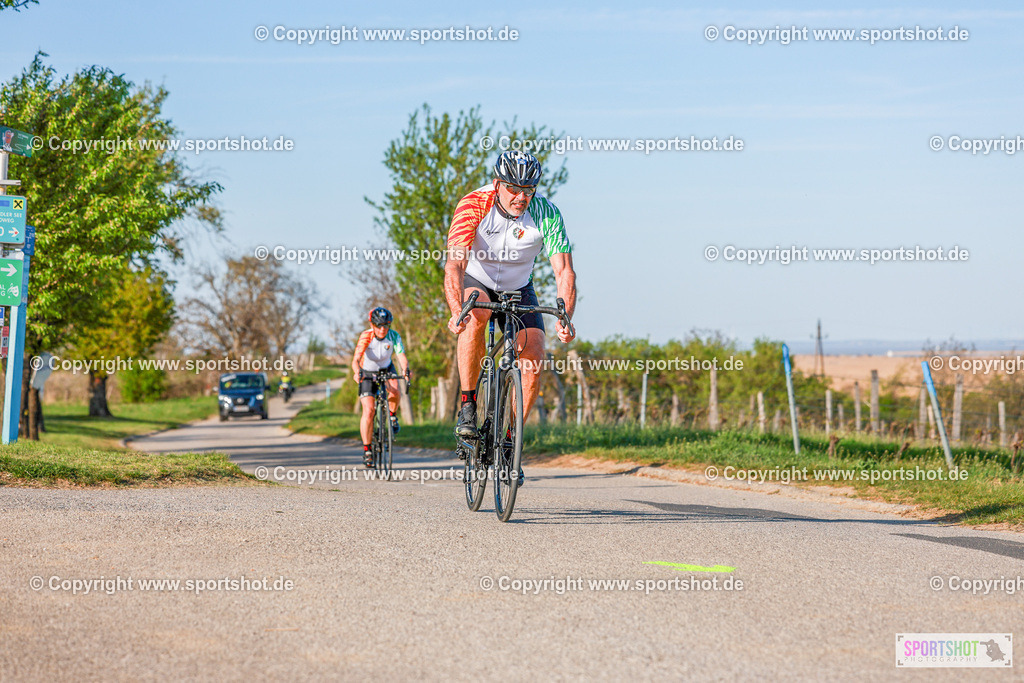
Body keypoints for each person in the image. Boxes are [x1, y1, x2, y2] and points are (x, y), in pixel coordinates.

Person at [444, 150, 577, 484]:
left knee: (533, 357)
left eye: (528, 190)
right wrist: (454, 311)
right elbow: (455, 265)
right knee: (474, 317)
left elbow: (564, 272)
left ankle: (509, 440)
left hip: (520, 286)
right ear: (497, 184)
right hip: (479, 279)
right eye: (514, 189)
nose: (521, 197)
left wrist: (565, 315)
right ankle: (468, 404)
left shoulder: (546, 213)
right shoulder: (474, 203)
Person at [352, 306, 411, 467]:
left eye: (386, 325)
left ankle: (392, 415)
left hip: (386, 368)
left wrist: (405, 370)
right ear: (372, 325)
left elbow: (401, 356)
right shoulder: (366, 336)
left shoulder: (394, 336)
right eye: (379, 325)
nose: (383, 329)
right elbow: (356, 359)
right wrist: (357, 372)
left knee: (395, 390)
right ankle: (367, 450)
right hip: (367, 371)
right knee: (369, 410)